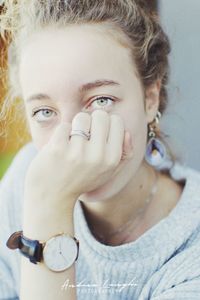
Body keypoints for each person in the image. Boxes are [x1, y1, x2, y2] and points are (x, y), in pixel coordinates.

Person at [0, 0, 200, 299]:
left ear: (150, 99)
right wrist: (45, 202)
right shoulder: (27, 179)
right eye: (44, 111)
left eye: (101, 100)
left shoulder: (190, 249)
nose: (74, 142)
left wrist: (49, 205)